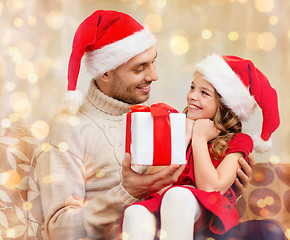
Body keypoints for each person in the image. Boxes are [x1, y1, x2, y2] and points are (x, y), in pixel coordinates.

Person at [27, 10, 253, 240]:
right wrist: (126, 193)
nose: (154, 75)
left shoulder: (161, 115)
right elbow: (59, 231)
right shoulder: (71, 129)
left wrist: (225, 193)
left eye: (152, 62)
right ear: (105, 72)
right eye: (139, 68)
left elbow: (188, 191)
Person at [120, 54, 283, 240]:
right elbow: (154, 183)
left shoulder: (239, 141)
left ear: (225, 104)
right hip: (166, 210)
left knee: (178, 195)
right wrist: (185, 137)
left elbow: (210, 189)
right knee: (135, 213)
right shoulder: (175, 128)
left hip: (208, 217)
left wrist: (199, 138)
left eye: (204, 93)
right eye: (192, 88)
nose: (192, 96)